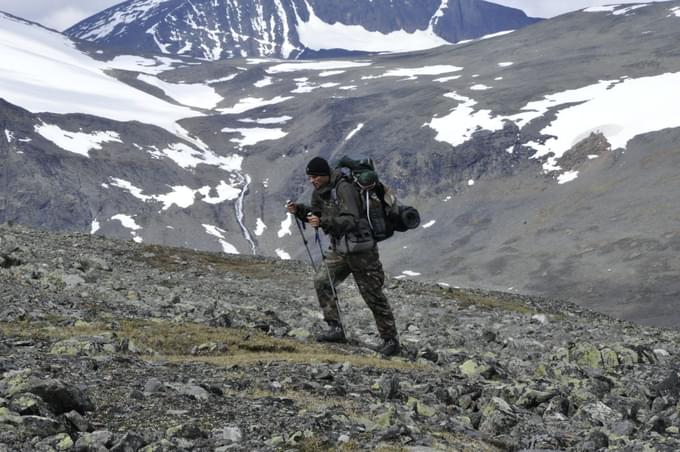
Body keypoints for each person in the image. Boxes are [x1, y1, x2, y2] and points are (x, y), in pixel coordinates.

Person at [287, 156, 400, 357]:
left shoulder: (344, 188)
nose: (311, 181)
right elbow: (316, 215)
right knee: (322, 281)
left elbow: (351, 219)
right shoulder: (319, 192)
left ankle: (390, 341)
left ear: (324, 175)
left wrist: (324, 223)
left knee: (372, 295)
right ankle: (335, 329)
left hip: (362, 251)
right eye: (309, 177)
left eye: (314, 177)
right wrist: (300, 211)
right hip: (339, 249)